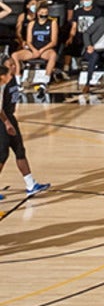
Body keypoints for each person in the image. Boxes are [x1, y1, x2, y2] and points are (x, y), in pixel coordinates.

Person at [0, 56, 50, 201]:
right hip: (2, 120)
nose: (14, 67)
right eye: (10, 66)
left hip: (10, 118)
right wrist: (7, 123)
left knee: (20, 150)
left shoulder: (12, 79)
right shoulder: (2, 84)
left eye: (14, 65)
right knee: (2, 155)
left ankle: (31, 184)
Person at [13, 2, 59, 85]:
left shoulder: (52, 23)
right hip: (33, 50)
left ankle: (46, 78)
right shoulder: (31, 24)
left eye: (45, 13)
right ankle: (17, 76)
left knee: (53, 55)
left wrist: (41, 50)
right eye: (42, 13)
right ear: (37, 13)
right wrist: (34, 50)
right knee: (14, 55)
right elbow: (29, 41)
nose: (44, 15)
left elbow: (53, 41)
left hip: (45, 49)